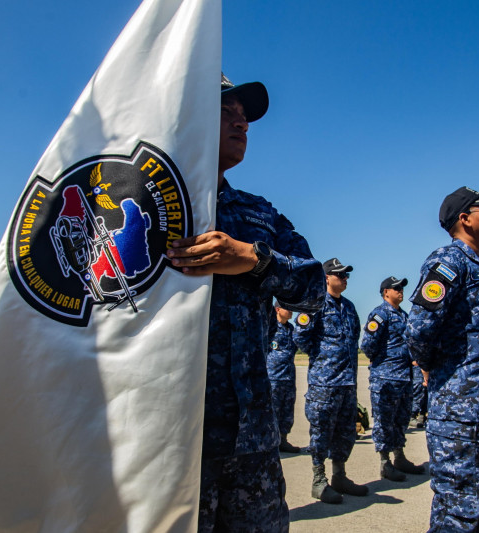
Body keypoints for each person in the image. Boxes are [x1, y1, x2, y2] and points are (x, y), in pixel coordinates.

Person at [167, 74, 325, 532]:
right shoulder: (141, 205)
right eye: (225, 112)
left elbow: (314, 289)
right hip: (171, 439)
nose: (243, 124)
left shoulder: (258, 213)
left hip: (251, 441)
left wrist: (253, 259)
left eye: (246, 117)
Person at [406, 186, 479, 533]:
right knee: (458, 514)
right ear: (465, 219)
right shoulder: (449, 261)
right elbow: (419, 329)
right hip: (461, 410)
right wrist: (434, 369)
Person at [294, 258, 367, 504]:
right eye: (340, 275)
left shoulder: (349, 307)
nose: (345, 278)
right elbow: (301, 337)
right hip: (325, 383)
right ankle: (319, 480)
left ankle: (340, 476)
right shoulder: (314, 303)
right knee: (321, 432)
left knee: (345, 433)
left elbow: (354, 338)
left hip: (347, 383)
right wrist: (322, 357)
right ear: (327, 278)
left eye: (347, 275)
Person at [361, 276, 427, 481]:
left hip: (404, 377)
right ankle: (385, 462)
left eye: (401, 288)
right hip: (386, 378)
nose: (400, 291)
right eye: (396, 288)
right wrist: (383, 362)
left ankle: (399, 457)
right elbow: (367, 345)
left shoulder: (404, 315)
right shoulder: (380, 314)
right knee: (384, 421)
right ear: (385, 292)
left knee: (401, 419)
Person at [267, 302, 302, 453]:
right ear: (278, 309)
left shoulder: (291, 329)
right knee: (272, 410)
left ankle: (283, 440)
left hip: (288, 376)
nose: (291, 311)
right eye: (288, 308)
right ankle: (270, 442)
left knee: (287, 411)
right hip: (273, 376)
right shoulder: (270, 327)